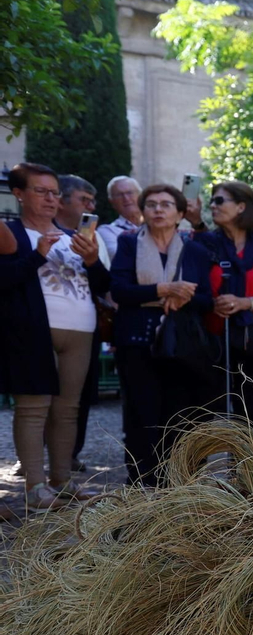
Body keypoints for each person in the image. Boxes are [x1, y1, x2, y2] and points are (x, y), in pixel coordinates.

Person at [2, 163, 110, 508]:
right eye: (41, 191)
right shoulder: (12, 233)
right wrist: (37, 256)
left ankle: (62, 481)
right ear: (18, 194)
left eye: (54, 192)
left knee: (68, 410)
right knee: (33, 408)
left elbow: (106, 287)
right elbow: (4, 280)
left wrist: (93, 261)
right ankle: (35, 487)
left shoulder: (73, 236)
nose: (51, 199)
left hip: (81, 331)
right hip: (33, 331)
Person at [109, 183, 214, 485]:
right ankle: (142, 481)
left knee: (180, 413)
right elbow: (119, 289)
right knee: (141, 414)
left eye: (166, 204)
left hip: (181, 344)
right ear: (142, 211)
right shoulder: (129, 244)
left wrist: (185, 296)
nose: (158, 209)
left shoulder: (195, 250)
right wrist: (162, 289)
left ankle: (176, 482)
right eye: (151, 204)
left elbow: (207, 299)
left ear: (180, 213)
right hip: (137, 341)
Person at [191, 180, 253, 431]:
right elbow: (196, 287)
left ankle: (243, 469)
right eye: (212, 200)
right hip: (212, 341)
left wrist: (243, 303)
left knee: (248, 411)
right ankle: (196, 468)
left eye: (220, 200)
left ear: (241, 207)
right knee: (203, 410)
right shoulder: (206, 243)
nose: (213, 205)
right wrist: (212, 303)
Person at [57, 175, 111, 472]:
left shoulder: (94, 235)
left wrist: (91, 259)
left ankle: (68, 458)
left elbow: (103, 282)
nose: (91, 207)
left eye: (93, 201)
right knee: (39, 401)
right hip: (45, 326)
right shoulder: (43, 234)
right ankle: (35, 463)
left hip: (84, 325)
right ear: (61, 200)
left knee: (77, 399)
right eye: (84, 200)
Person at [100, 175, 143, 253]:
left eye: (130, 193)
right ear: (112, 202)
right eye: (119, 195)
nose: (126, 198)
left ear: (140, 196)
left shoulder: (156, 223)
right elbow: (119, 256)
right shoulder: (108, 231)